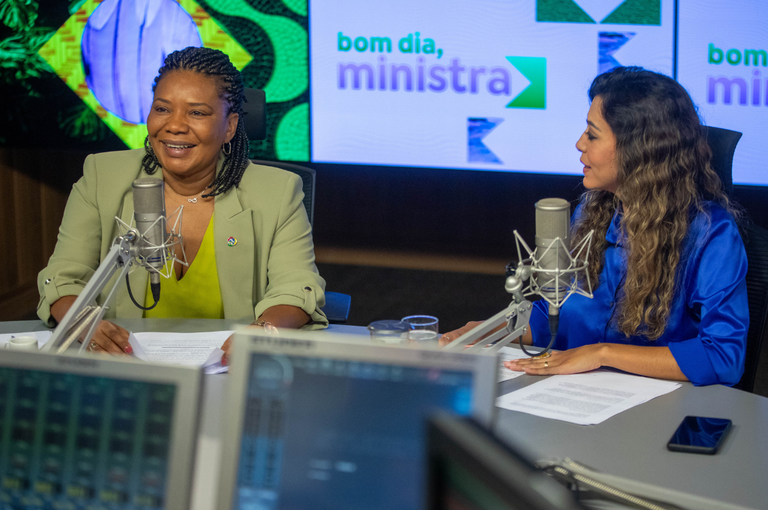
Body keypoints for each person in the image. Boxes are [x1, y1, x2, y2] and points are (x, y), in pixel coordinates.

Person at [441, 66, 748, 386]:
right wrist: (483, 331)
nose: (579, 143)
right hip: (576, 399)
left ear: (637, 148)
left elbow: (723, 357)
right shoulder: (592, 212)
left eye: (592, 133)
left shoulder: (711, 234)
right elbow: (553, 317)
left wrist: (602, 353)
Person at [37, 47, 327, 357]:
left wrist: (260, 332)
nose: (174, 125)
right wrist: (83, 323)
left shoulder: (277, 192)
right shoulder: (102, 178)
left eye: (197, 112)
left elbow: (298, 289)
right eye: (162, 109)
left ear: (229, 126)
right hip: (125, 367)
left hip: (227, 371)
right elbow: (62, 280)